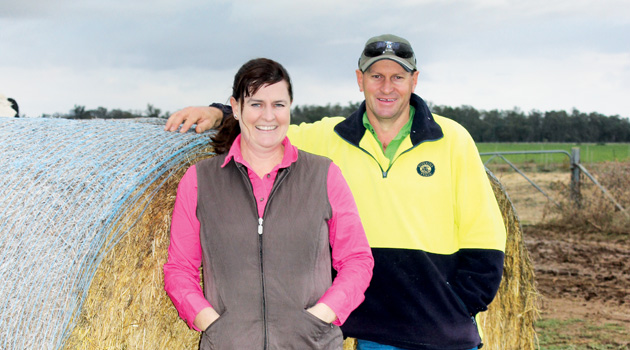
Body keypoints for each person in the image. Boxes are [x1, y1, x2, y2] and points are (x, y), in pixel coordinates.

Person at [165, 35, 507, 350]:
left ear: (414, 81)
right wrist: (217, 112)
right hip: (370, 332)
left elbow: (484, 232)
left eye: (397, 77)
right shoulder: (330, 138)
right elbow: (266, 128)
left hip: (441, 330)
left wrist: (462, 303)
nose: (386, 87)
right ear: (360, 80)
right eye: (376, 77)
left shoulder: (453, 140)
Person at [163, 58, 374, 350]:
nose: (268, 116)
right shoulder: (199, 180)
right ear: (235, 108)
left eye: (278, 104)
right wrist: (211, 323)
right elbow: (180, 268)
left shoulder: (325, 175)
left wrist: (321, 317)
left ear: (290, 108)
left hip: (311, 344)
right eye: (256, 104)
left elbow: (357, 260)